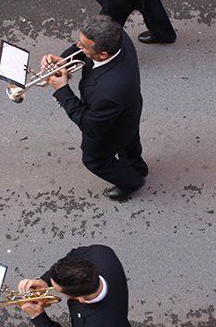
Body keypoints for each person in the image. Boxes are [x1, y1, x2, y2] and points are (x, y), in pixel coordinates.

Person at [43, 15, 147, 201]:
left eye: (83, 46)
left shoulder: (109, 90)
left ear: (103, 55)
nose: (78, 46)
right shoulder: (117, 35)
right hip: (128, 110)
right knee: (129, 139)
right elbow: (80, 49)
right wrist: (64, 59)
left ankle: (132, 181)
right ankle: (136, 166)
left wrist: (62, 90)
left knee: (95, 160)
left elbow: (89, 124)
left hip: (110, 121)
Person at [18, 244, 141, 327]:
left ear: (80, 299)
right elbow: (74, 255)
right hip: (117, 317)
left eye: (56, 289)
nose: (50, 288)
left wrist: (38, 316)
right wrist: (45, 281)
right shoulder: (101, 253)